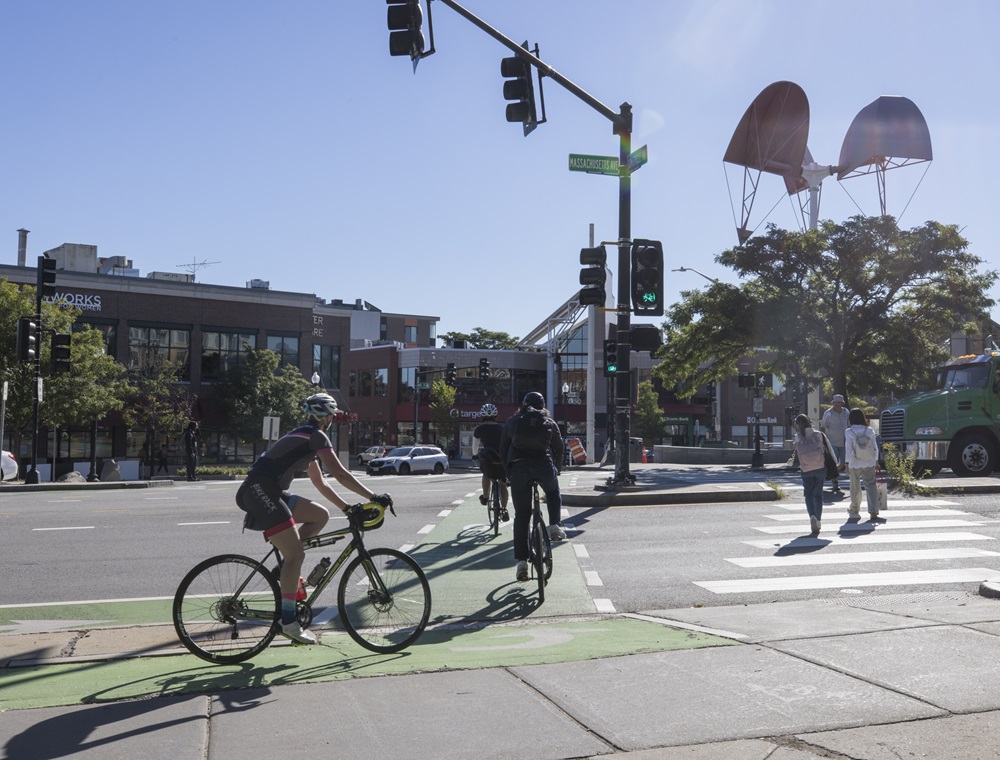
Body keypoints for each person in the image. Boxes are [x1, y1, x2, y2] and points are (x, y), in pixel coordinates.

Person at [236, 392, 392, 645]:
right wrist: (374, 496)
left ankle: (285, 567)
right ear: (327, 417)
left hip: (268, 491)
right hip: (259, 491)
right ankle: (288, 622)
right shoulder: (315, 436)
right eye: (332, 415)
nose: (332, 420)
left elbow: (321, 483)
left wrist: (346, 508)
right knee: (297, 555)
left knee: (320, 515)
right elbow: (340, 473)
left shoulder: (304, 438)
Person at [499, 392, 565, 582]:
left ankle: (521, 563)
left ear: (523, 405)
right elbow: (559, 449)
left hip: (519, 470)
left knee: (522, 515)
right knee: (553, 491)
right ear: (543, 406)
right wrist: (557, 470)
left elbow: (503, 450)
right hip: (543, 467)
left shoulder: (512, 422)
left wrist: (508, 474)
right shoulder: (548, 422)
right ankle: (554, 526)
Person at [792, 413, 836, 536]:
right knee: (818, 495)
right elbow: (829, 449)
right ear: (809, 422)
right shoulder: (818, 435)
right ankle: (818, 520)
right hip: (820, 467)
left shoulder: (797, 437)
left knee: (808, 495)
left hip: (806, 469)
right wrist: (835, 464)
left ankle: (812, 515)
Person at [473, 403, 509, 520]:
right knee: (503, 484)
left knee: (486, 474)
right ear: (496, 416)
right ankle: (504, 509)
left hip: (489, 460)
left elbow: (475, 446)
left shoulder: (479, 429)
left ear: (482, 416)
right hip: (502, 460)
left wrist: (474, 456)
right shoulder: (502, 428)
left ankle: (485, 496)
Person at [845, 408, 881, 520]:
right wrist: (876, 461)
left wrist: (846, 463)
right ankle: (873, 510)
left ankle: (855, 508)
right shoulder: (870, 431)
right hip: (869, 461)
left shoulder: (849, 432)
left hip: (854, 462)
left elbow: (848, 449)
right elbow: (875, 447)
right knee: (871, 486)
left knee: (855, 487)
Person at [820, 394, 850, 494]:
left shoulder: (846, 412)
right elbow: (823, 427)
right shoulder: (828, 413)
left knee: (843, 463)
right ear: (833, 403)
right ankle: (835, 482)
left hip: (845, 441)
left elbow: (849, 425)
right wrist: (822, 441)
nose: (838, 404)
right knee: (834, 462)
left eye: (839, 402)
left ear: (842, 403)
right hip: (832, 442)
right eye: (836, 402)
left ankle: (828, 474)